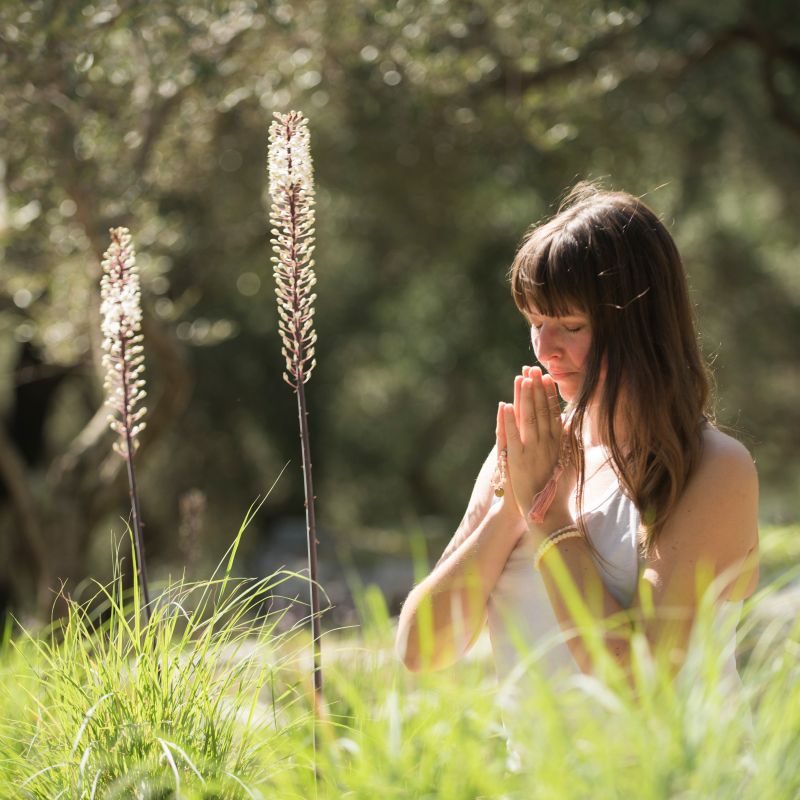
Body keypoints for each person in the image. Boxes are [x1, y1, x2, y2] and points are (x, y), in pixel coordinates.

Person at [395, 183, 759, 702]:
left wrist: (546, 511)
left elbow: (635, 680)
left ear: (641, 326)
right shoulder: (524, 456)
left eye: (570, 325)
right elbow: (421, 651)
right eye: (536, 323)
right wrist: (509, 509)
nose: (546, 348)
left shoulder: (716, 468)